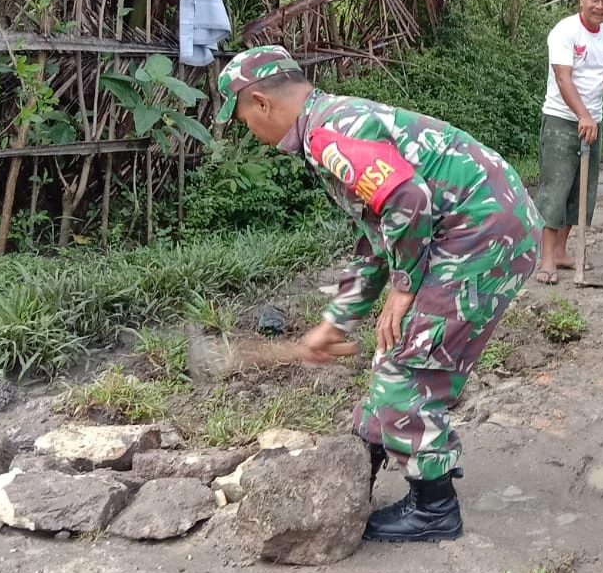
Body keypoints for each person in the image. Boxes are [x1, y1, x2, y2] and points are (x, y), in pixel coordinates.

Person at [218, 46, 541, 543]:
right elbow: (377, 236)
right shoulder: (333, 122)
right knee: (394, 351)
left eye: (242, 119)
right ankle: (360, 461)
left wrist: (405, 284)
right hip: (478, 225)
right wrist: (336, 321)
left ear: (261, 102)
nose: (250, 133)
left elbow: (408, 199)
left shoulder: (330, 134)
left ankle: (434, 509)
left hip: (481, 234)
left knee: (408, 367)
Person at [537, 0, 603, 283]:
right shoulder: (565, 32)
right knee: (555, 190)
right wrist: (582, 115)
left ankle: (561, 252)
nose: (600, 5)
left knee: (581, 192)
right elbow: (563, 78)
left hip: (592, 122)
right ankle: (546, 260)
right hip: (562, 120)